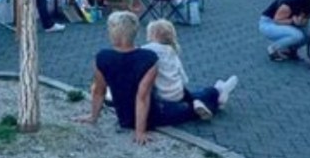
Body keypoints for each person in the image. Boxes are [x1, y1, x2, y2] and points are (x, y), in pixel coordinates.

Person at [76, 12, 237, 144]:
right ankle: (217, 92)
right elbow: (143, 97)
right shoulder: (148, 58)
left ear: (113, 33)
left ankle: (216, 91)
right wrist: (140, 131)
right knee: (194, 105)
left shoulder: (102, 58)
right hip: (155, 114)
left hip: (125, 117)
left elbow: (99, 91)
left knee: (193, 98)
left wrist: (93, 117)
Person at [142, 19, 239, 120]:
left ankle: (215, 92)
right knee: (201, 93)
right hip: (178, 93)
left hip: (161, 96)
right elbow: (184, 78)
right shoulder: (172, 53)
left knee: (198, 95)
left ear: (152, 35)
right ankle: (217, 91)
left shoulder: (147, 49)